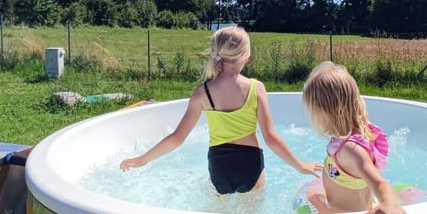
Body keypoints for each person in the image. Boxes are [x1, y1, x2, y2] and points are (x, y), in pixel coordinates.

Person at [120, 26, 319, 193]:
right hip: (250, 162)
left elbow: (176, 138)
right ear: (246, 57)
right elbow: (271, 138)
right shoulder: (255, 88)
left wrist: (143, 159)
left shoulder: (202, 92)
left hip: (219, 164)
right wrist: (300, 166)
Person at [301, 61, 414, 214]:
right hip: (348, 209)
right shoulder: (350, 139)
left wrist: (390, 203)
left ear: (325, 111)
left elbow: (379, 183)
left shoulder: (351, 149)